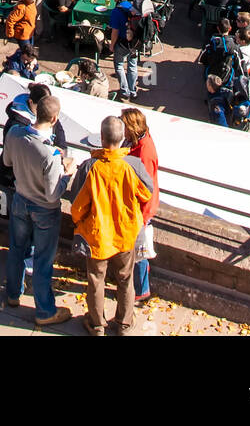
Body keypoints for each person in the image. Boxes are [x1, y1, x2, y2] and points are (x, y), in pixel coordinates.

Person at [70, 114, 151, 337]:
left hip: (98, 235)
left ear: (102, 138)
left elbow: (76, 203)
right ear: (123, 137)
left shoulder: (90, 167)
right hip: (125, 233)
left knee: (96, 279)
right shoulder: (132, 165)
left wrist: (79, 223)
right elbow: (147, 192)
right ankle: (124, 324)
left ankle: (97, 324)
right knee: (125, 279)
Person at [4, 93, 75, 327]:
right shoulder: (51, 154)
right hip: (44, 209)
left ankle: (13, 293)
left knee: (17, 248)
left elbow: (7, 163)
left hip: (20, 199)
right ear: (54, 119)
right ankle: (45, 311)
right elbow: (54, 193)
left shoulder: (15, 133)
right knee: (43, 260)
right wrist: (68, 173)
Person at [121, 107, 160, 302]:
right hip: (135, 205)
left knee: (139, 251)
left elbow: (146, 187)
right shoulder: (137, 141)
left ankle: (141, 290)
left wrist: (142, 217)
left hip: (140, 208)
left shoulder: (144, 151)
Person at [108, 0, 139, 101]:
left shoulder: (116, 11)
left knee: (119, 65)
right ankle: (133, 90)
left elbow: (114, 31)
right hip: (134, 42)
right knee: (132, 65)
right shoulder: (132, 6)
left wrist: (111, 45)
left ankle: (125, 91)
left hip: (122, 43)